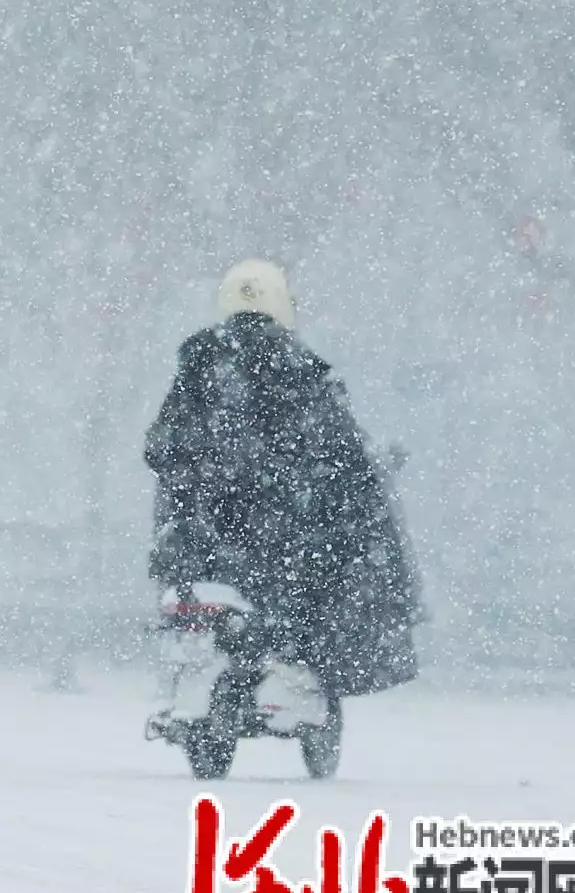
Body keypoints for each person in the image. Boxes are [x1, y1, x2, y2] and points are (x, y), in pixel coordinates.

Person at [145, 260, 420, 720]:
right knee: (332, 569)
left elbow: (159, 447)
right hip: (278, 540)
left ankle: (205, 676)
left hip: (197, 541)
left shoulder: (195, 365)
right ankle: (294, 669)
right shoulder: (301, 369)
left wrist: (196, 490)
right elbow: (341, 451)